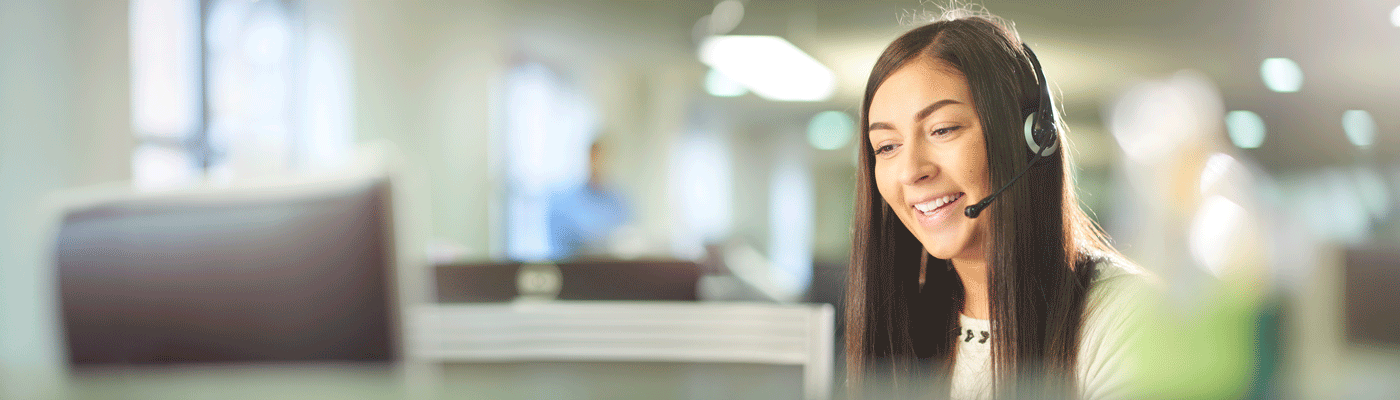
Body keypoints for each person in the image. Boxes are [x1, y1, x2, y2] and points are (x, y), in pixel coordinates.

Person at [844, 9, 1152, 399]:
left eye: (943, 129)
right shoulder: (905, 319)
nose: (910, 171)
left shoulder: (1126, 316)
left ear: (1031, 138)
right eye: (886, 147)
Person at [546, 140, 632, 260]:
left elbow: (628, 237)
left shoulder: (620, 201)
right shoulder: (565, 201)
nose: (599, 163)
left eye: (603, 158)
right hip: (576, 268)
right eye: (594, 157)